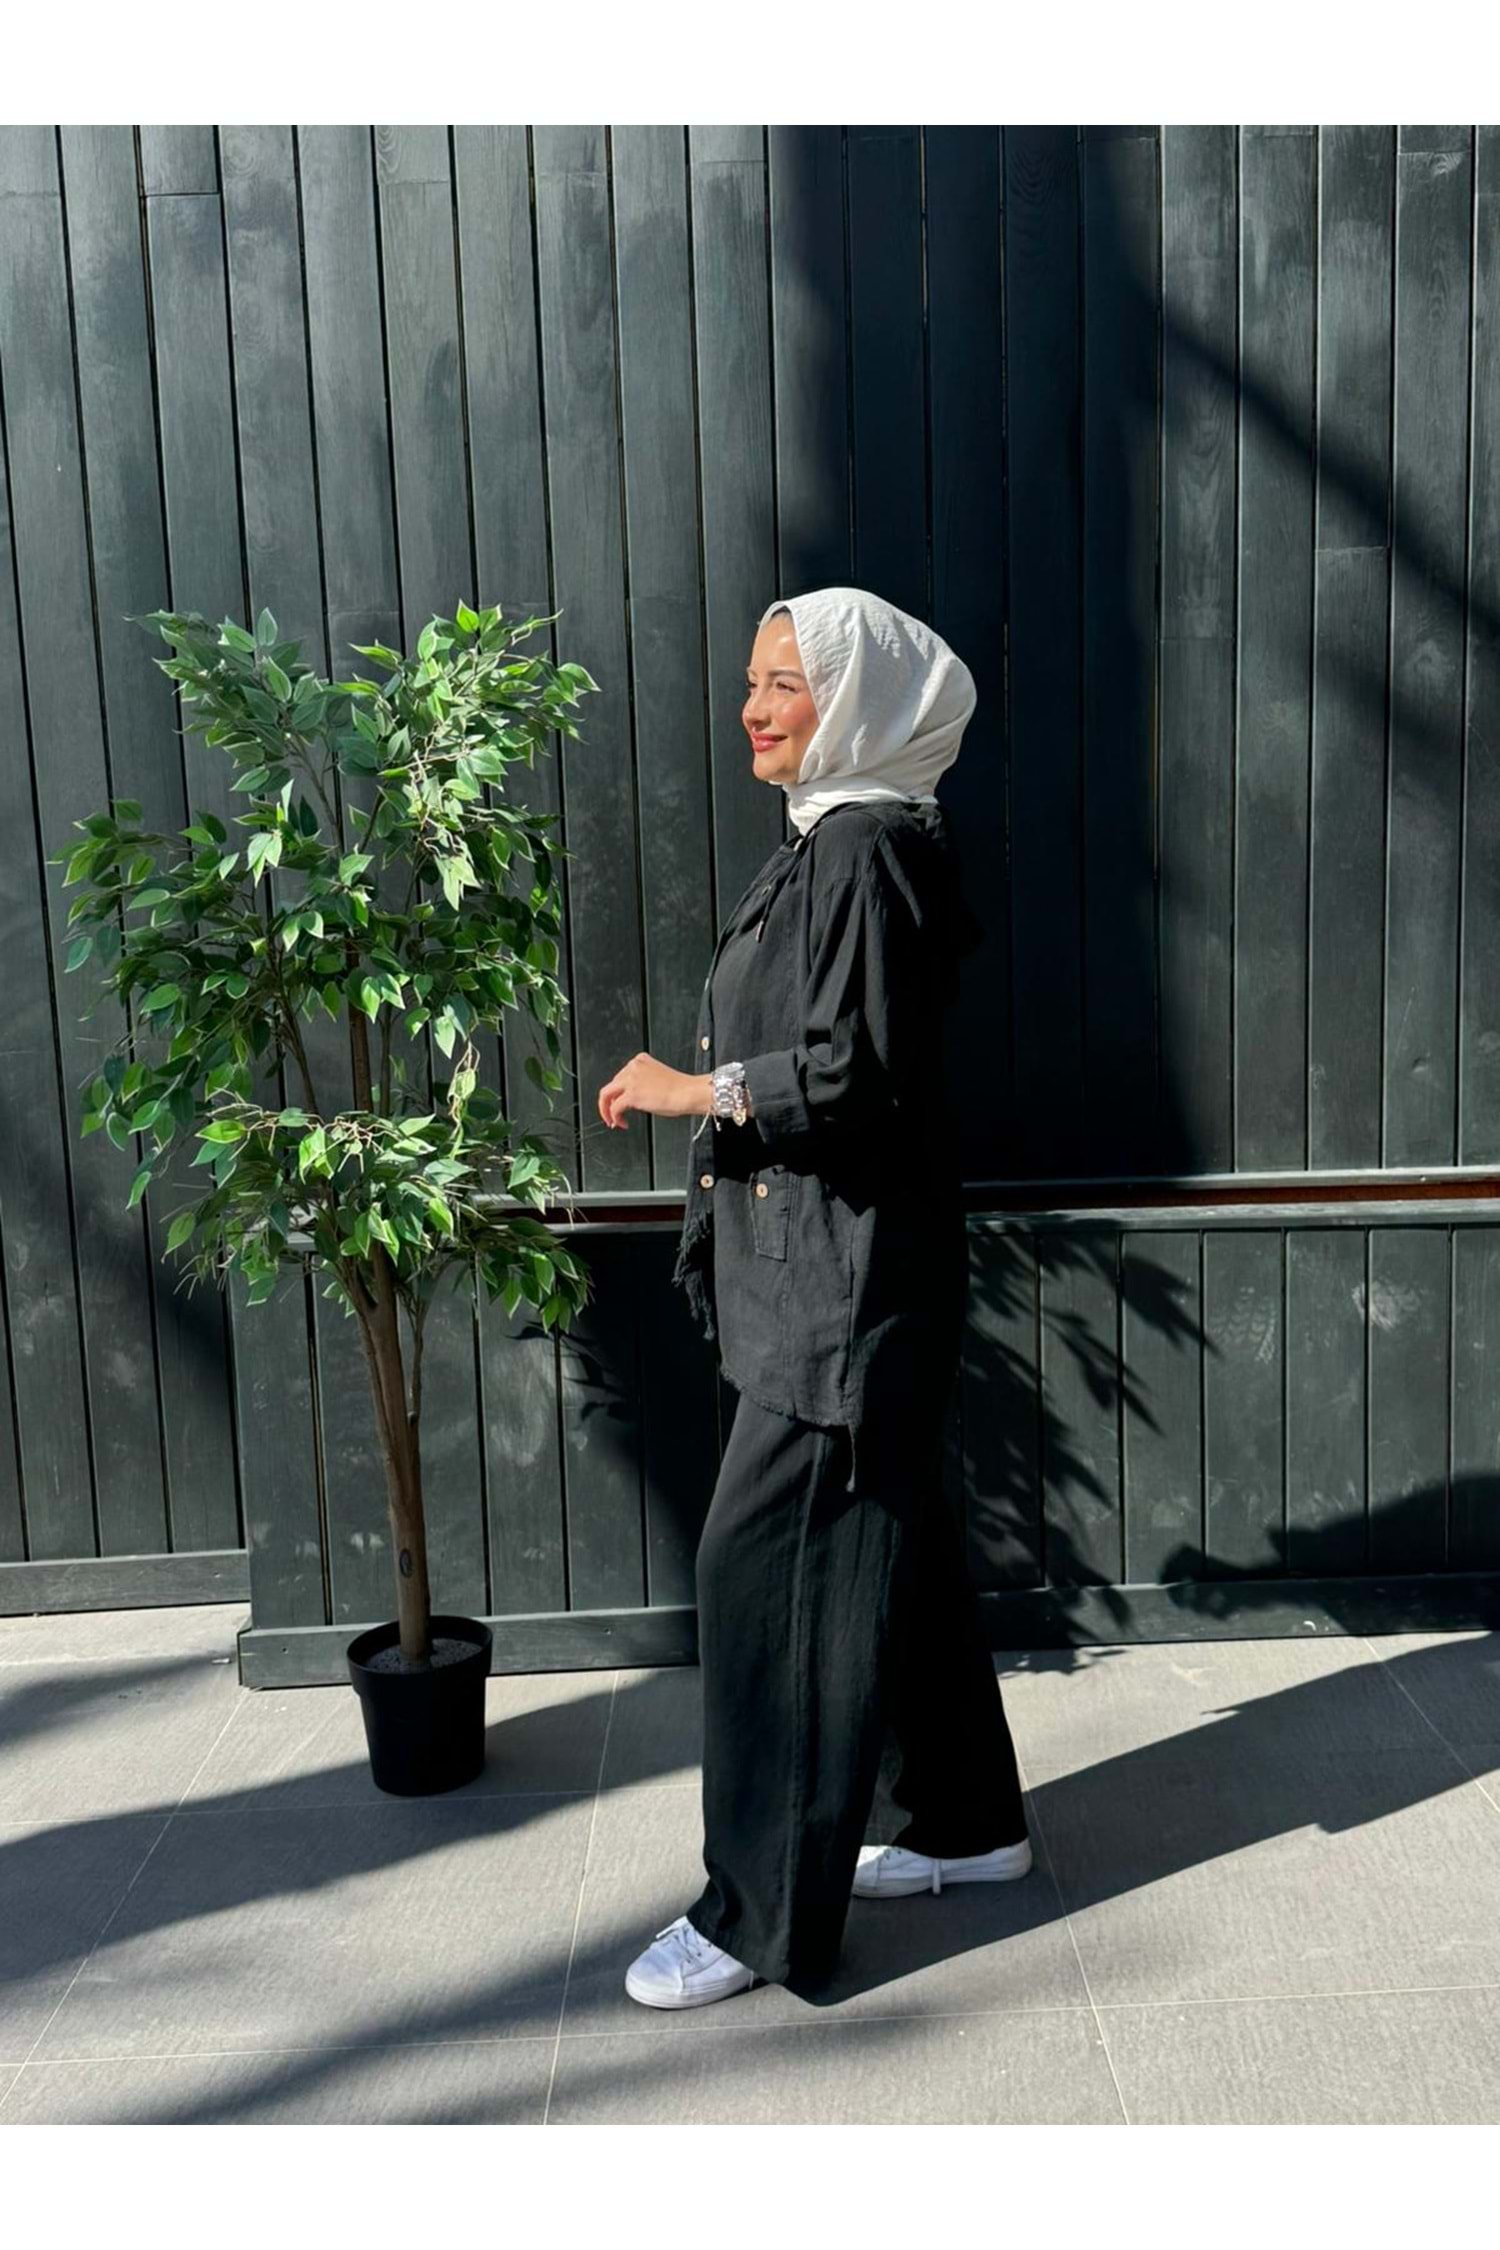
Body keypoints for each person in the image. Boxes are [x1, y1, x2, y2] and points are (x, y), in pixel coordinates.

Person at [596, 587, 1030, 2009]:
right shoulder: (841, 836)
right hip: (846, 1267)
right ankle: (967, 1821)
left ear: (854, 700)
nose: (755, 706)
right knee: (892, 1544)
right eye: (753, 680)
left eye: (786, 682)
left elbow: (852, 1072)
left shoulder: (858, 847)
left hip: (843, 1287)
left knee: (764, 1575)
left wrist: (696, 1090)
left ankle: (757, 1913)